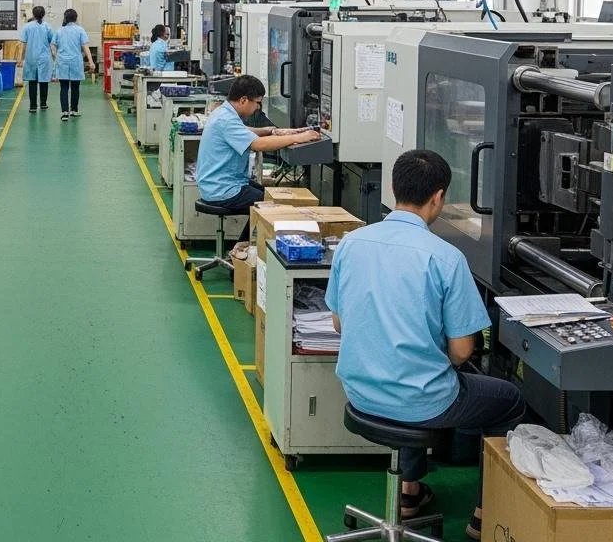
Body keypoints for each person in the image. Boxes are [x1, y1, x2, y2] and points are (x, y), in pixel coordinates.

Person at [326, 150, 525, 540]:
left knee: (416, 374)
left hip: (360, 393)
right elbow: (463, 351)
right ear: (438, 198)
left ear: (393, 188)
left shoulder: (352, 243)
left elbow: (338, 323)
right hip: (419, 401)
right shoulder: (446, 258)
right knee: (508, 400)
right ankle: (485, 514)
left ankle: (409, 491)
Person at [195, 75, 323, 258]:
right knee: (271, 206)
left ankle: (241, 247)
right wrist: (298, 138)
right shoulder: (226, 120)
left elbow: (246, 132)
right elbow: (257, 144)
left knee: (269, 195)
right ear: (243, 100)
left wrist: (273, 131)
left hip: (223, 182)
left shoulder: (223, 113)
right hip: (222, 189)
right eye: (257, 103)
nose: (258, 108)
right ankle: (241, 251)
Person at [53, 8, 93, 121]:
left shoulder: (59, 30)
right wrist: (91, 62)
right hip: (76, 61)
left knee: (64, 87)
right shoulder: (80, 30)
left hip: (62, 61)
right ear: (76, 18)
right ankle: (74, 110)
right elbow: (85, 47)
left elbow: (53, 47)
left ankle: (64, 112)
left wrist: (56, 57)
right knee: (75, 87)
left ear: (65, 18)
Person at [18, 5, 56, 113]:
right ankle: (43, 104)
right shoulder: (47, 26)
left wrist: (20, 59)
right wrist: (54, 55)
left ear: (33, 14)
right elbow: (52, 42)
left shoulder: (27, 27)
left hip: (31, 58)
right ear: (43, 15)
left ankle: (33, 106)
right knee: (44, 82)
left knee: (32, 82)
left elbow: (23, 44)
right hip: (44, 58)